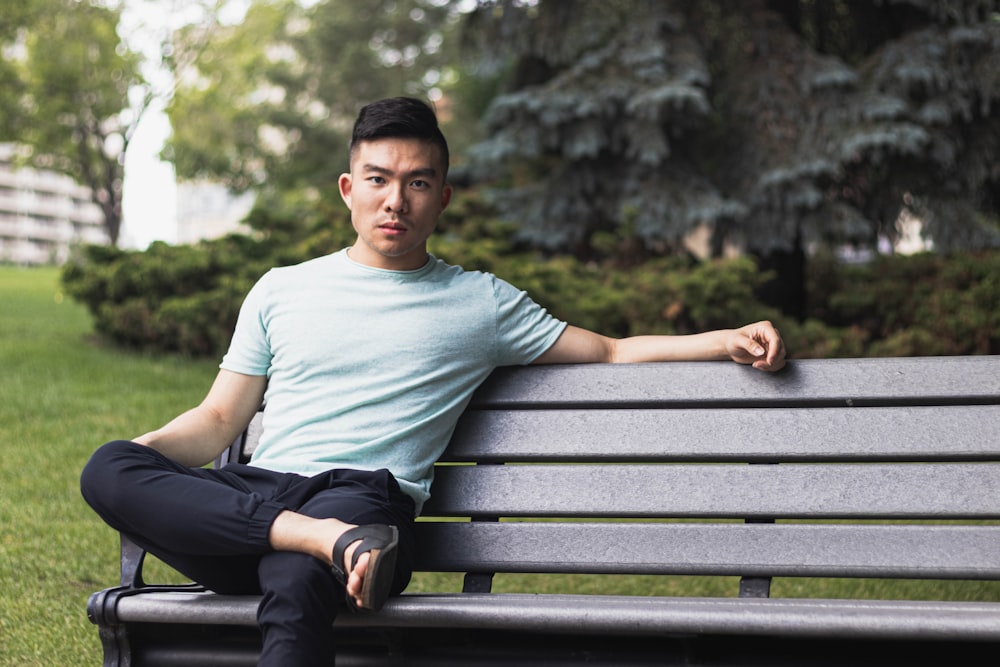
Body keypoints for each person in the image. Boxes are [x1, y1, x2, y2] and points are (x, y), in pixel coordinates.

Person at [81, 97, 785, 666]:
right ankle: (314, 538)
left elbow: (607, 350)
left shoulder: (479, 302)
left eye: (417, 182)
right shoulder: (281, 289)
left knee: (296, 582)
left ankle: (320, 544)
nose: (396, 201)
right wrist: (141, 464)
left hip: (363, 501)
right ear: (348, 189)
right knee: (106, 467)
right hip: (275, 498)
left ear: (441, 196)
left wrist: (724, 339)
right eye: (380, 179)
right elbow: (216, 420)